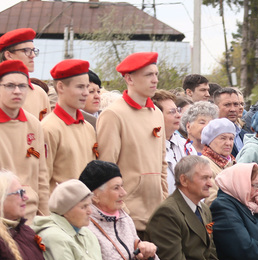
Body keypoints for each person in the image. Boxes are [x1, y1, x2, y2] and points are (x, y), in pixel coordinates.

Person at [96, 52, 168, 237]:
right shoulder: (113, 114)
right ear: (129, 79)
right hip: (126, 217)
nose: (155, 80)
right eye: (148, 75)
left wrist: (164, 202)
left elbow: (162, 164)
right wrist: (122, 209)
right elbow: (106, 168)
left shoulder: (156, 113)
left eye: (156, 74)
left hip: (156, 217)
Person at [0, 60, 49, 222]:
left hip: (30, 216)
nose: (17, 91)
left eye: (22, 86)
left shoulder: (33, 123)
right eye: (10, 86)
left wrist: (45, 217)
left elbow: (42, 174)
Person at [41, 59, 97, 193]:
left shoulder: (88, 127)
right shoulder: (48, 128)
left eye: (87, 87)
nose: (86, 93)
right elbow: (42, 180)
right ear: (60, 87)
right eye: (80, 87)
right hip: (60, 205)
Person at [0, 28, 50, 120]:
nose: (33, 55)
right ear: (8, 55)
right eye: (26, 50)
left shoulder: (39, 93)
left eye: (33, 50)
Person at [153, 90, 188, 193]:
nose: (178, 115)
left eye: (178, 110)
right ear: (157, 116)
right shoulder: (149, 148)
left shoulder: (185, 144)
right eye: (172, 112)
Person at [200, 118, 236, 203]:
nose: (228, 143)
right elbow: (211, 201)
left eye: (231, 139)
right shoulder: (204, 164)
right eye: (223, 138)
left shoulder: (232, 162)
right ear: (210, 140)